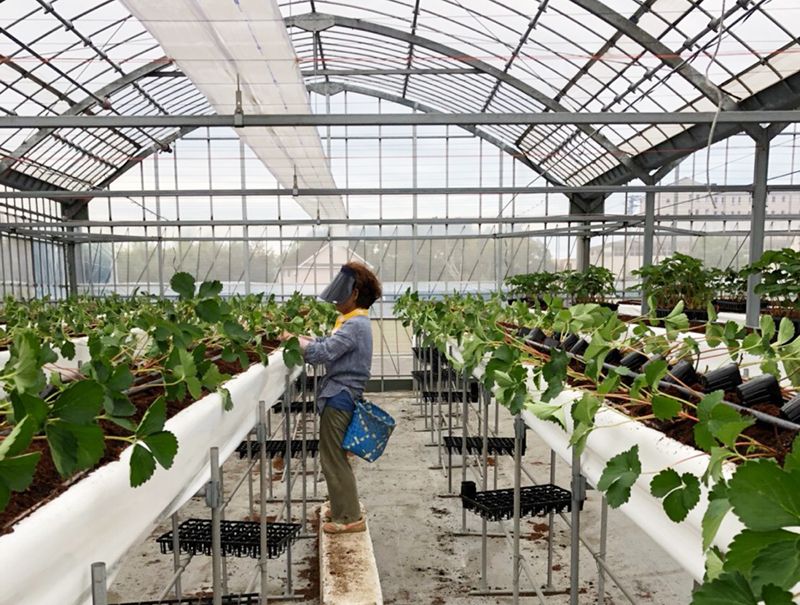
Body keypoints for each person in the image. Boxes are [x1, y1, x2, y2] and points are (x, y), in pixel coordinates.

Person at [287, 262, 382, 534]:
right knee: (336, 456)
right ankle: (342, 508)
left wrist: (294, 341)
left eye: (342, 292)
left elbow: (321, 354)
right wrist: (303, 338)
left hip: (339, 396)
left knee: (333, 459)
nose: (335, 299)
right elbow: (326, 344)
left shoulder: (355, 326)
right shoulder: (355, 322)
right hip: (341, 395)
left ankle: (349, 517)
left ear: (354, 294)